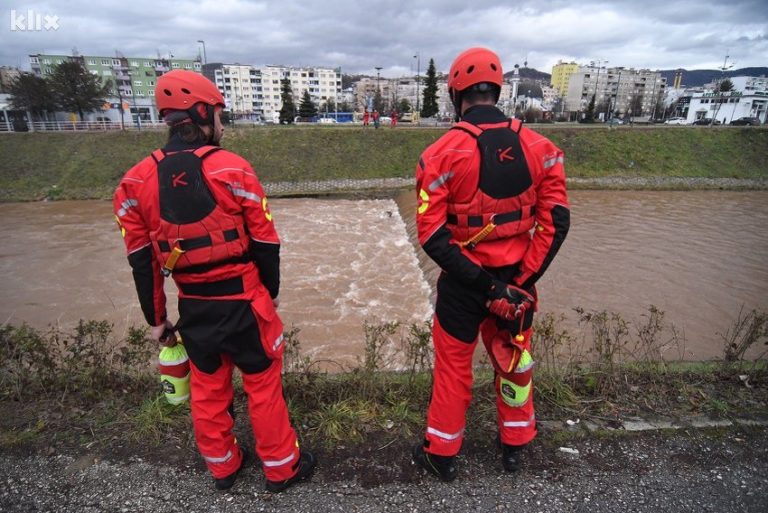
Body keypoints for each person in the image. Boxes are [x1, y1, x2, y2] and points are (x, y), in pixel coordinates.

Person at [113, 70, 316, 493]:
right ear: (203, 113)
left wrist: (157, 320)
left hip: (194, 307)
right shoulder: (234, 169)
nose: (222, 125)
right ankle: (281, 468)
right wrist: (271, 293)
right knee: (262, 386)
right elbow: (266, 241)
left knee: (207, 389)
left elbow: (141, 261)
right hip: (245, 301)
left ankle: (223, 468)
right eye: (219, 115)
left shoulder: (132, 183)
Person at [411, 47, 570, 481]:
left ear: (455, 94)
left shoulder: (439, 154)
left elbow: (432, 236)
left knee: (453, 371)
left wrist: (485, 287)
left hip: (463, 285)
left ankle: (442, 454)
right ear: (496, 91)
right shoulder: (542, 149)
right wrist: (517, 284)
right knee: (514, 363)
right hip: (518, 282)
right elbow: (556, 223)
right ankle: (514, 446)